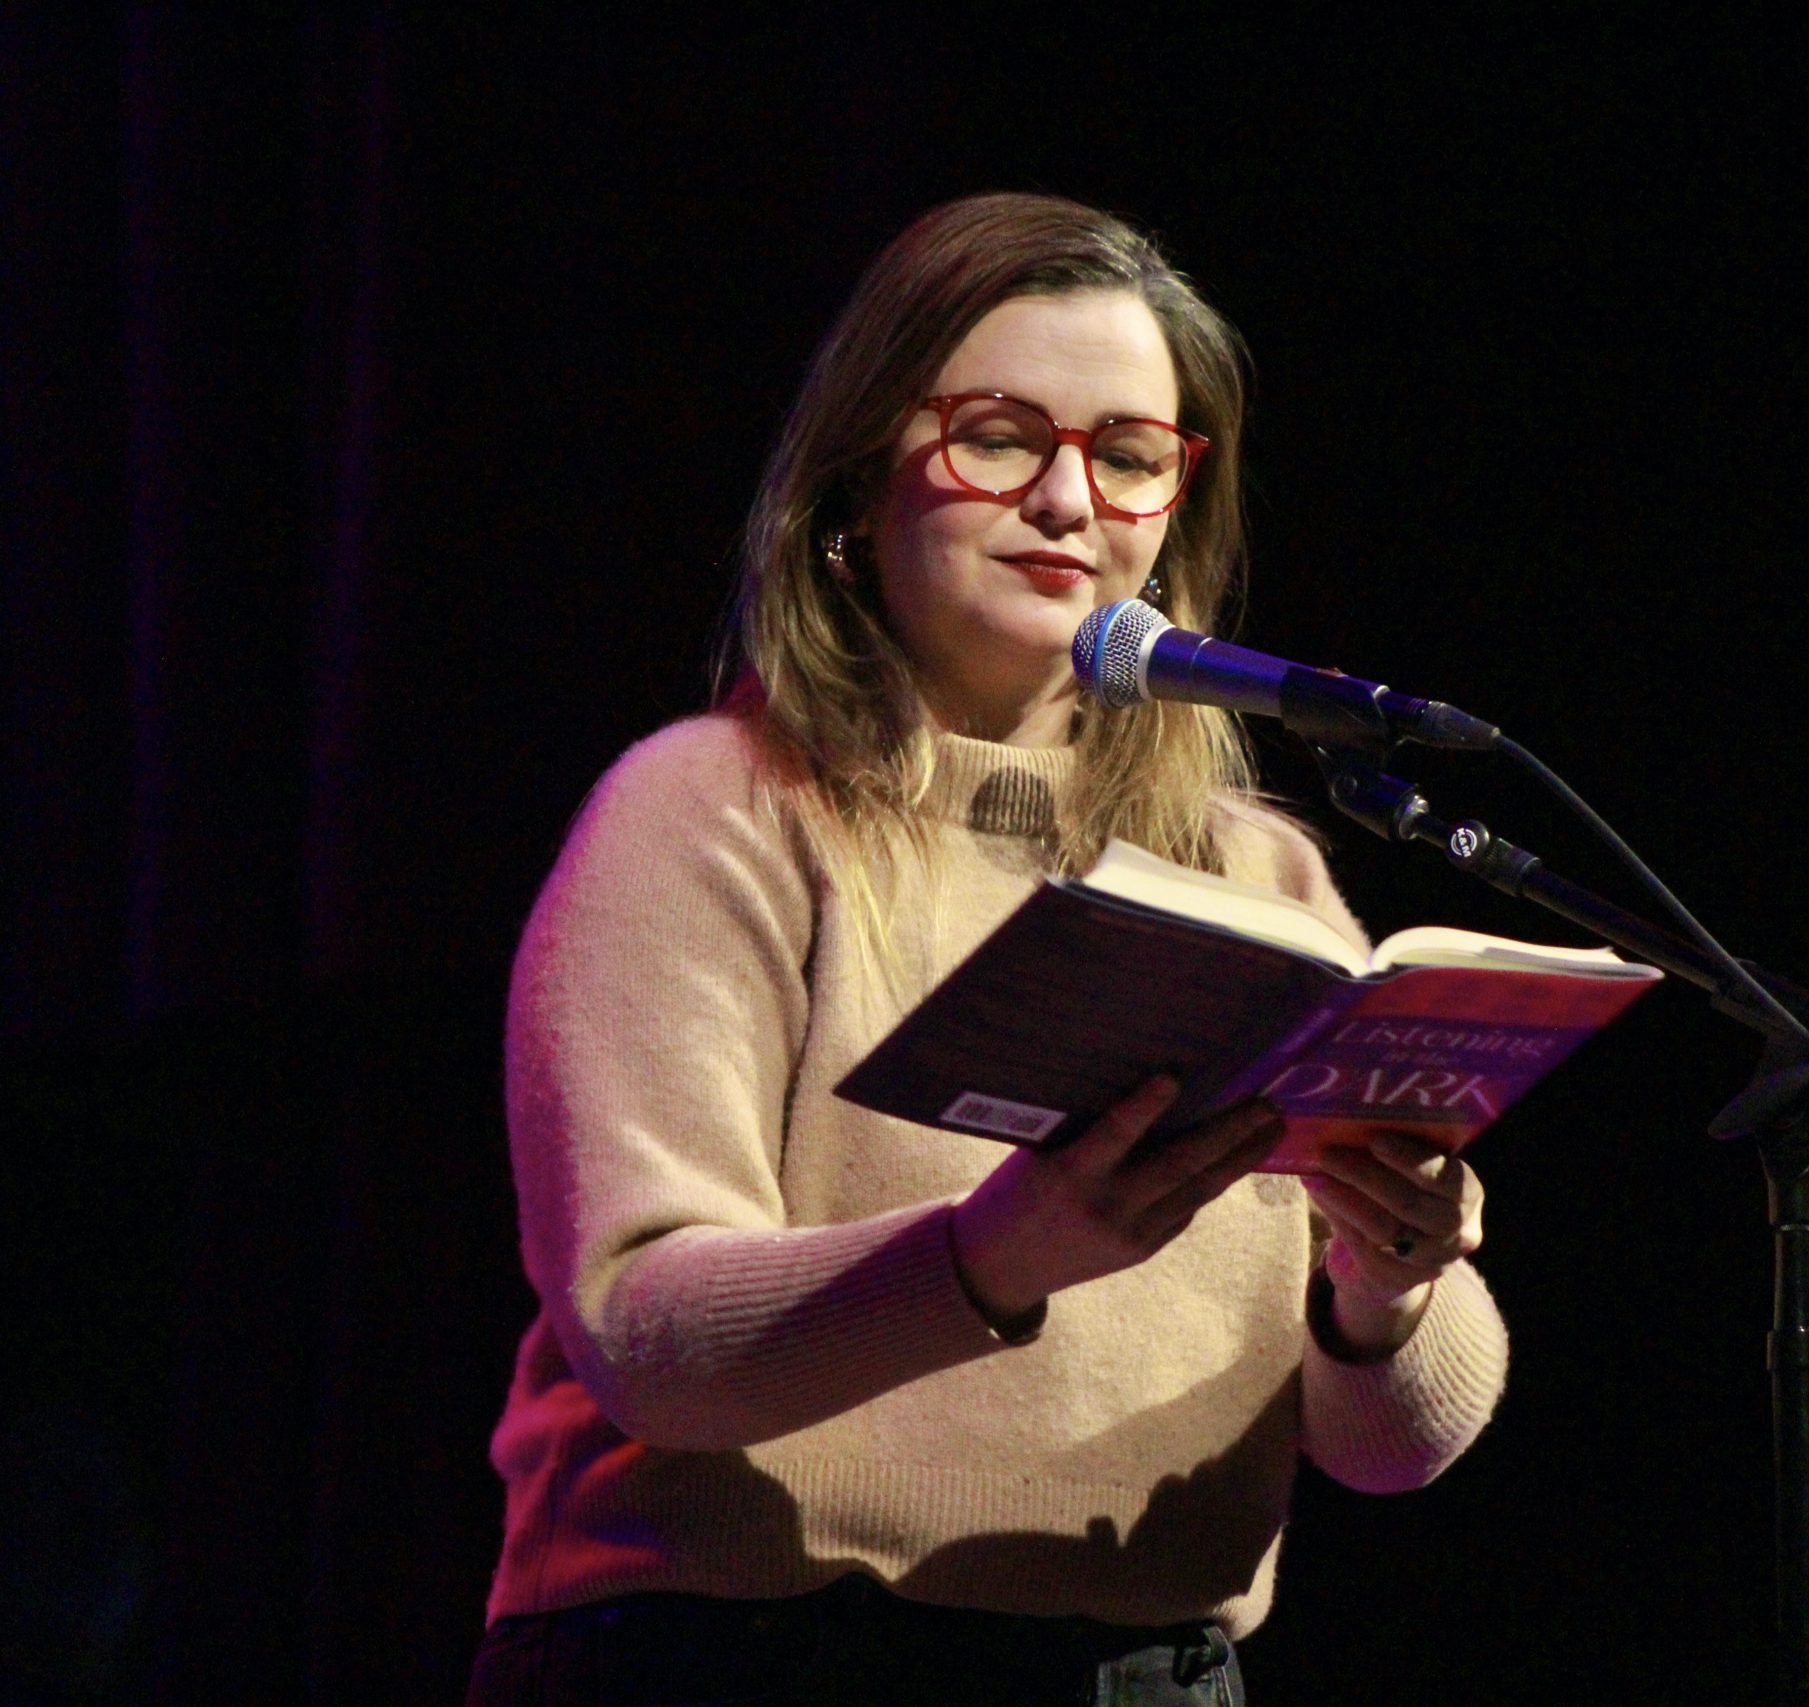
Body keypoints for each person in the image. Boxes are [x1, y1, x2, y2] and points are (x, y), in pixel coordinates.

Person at [463, 193, 1509, 1706]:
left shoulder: (1261, 875)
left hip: (1147, 1675)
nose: (1070, 502)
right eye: (1002, 436)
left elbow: (1392, 1448)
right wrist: (995, 1257)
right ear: (855, 482)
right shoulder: (714, 813)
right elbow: (645, 1335)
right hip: (731, 1659)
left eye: (1131, 456)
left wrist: (1389, 1285)